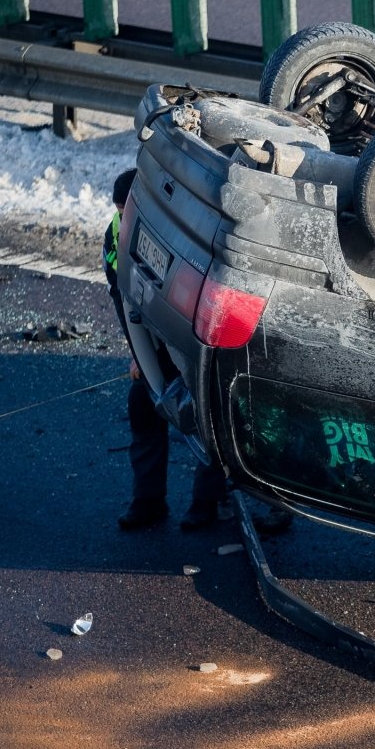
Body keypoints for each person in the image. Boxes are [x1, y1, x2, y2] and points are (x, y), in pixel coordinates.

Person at [104, 168, 228, 531]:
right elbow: (122, 297)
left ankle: (207, 503)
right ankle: (148, 501)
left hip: (194, 342)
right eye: (118, 210)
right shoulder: (116, 235)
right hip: (154, 341)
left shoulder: (181, 231)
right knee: (143, 406)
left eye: (125, 209)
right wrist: (138, 353)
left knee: (208, 420)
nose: (121, 217)